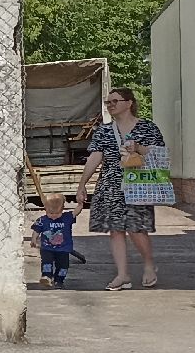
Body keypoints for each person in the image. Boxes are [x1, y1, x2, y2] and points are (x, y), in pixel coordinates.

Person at [76, 87, 166, 290]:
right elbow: (95, 157)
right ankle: (122, 275)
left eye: (115, 101)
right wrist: (82, 185)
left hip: (139, 184)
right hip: (111, 186)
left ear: (129, 103)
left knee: (136, 228)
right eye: (108, 102)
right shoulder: (104, 130)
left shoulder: (148, 128)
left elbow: (160, 154)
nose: (110, 105)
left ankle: (149, 265)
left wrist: (139, 148)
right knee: (116, 230)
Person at [30, 193, 76, 287]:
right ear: (45, 209)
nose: (54, 216)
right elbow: (36, 230)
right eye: (51, 213)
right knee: (47, 263)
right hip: (47, 248)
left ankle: (59, 280)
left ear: (62, 209)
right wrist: (34, 239)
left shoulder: (66, 218)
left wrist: (80, 204)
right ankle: (46, 277)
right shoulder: (42, 220)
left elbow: (76, 212)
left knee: (63, 266)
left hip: (63, 249)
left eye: (57, 213)